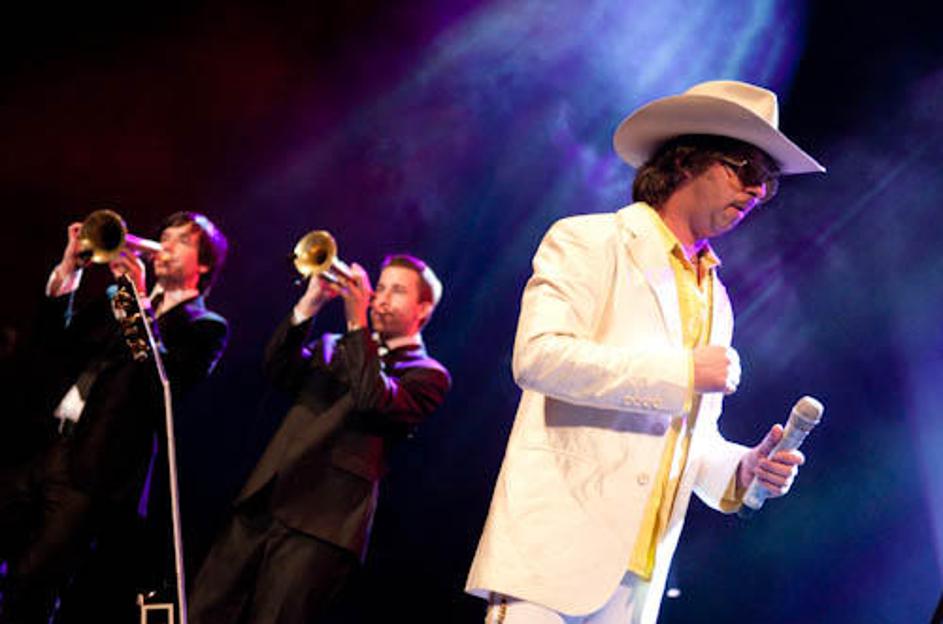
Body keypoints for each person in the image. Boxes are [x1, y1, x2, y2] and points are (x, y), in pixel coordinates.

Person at [465, 80, 825, 623]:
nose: (756, 190)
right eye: (746, 169)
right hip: (553, 555)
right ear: (685, 161)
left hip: (636, 581)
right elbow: (538, 357)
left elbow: (691, 439)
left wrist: (742, 470)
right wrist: (682, 373)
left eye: (768, 182)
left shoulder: (716, 297)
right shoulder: (589, 241)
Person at [189, 253, 451, 624]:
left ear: (423, 309)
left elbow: (373, 398)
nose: (381, 298)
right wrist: (309, 304)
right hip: (264, 500)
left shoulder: (428, 374)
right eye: (379, 288)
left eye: (397, 291)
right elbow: (278, 369)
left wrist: (357, 324)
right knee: (203, 611)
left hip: (322, 524)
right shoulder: (335, 345)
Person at [0, 211, 229, 623]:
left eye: (182, 241)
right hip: (43, 445)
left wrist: (136, 301)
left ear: (205, 264)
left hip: (92, 470)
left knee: (33, 580)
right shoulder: (115, 298)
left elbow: (160, 382)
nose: (165, 245)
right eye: (165, 236)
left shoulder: (207, 327)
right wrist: (70, 268)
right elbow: (54, 342)